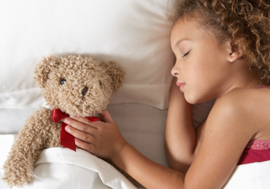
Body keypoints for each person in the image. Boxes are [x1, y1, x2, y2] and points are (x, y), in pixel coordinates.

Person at [62, 0, 270, 188]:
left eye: (186, 52)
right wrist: (180, 82)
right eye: (174, 59)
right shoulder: (234, 108)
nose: (173, 69)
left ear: (234, 47)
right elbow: (184, 160)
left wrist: (119, 149)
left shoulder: (239, 107)